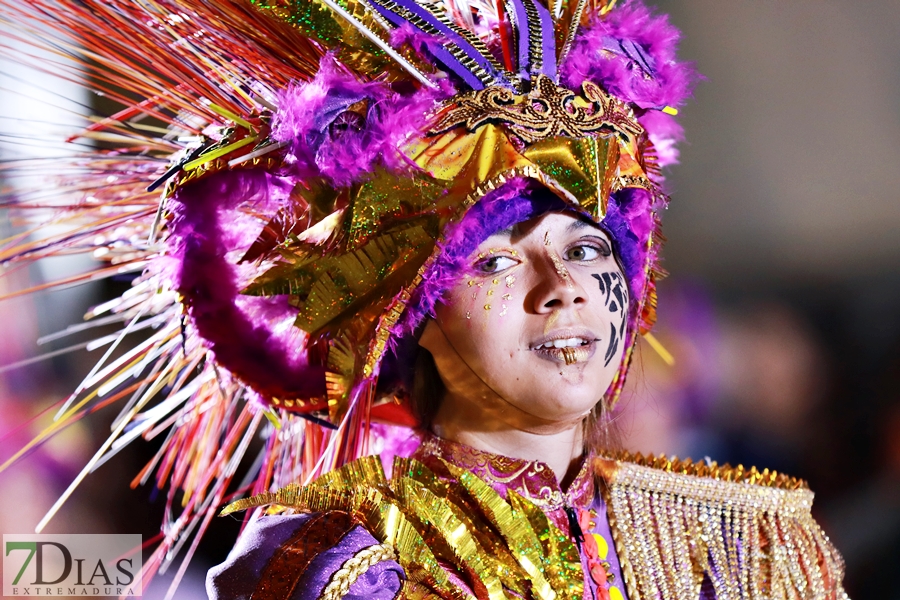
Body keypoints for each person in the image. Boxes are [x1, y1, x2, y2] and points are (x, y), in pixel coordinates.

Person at [0, 0, 846, 598]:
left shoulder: (750, 547)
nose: (563, 291)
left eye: (588, 249)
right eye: (495, 264)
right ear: (411, 323)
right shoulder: (339, 560)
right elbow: (53, 566)